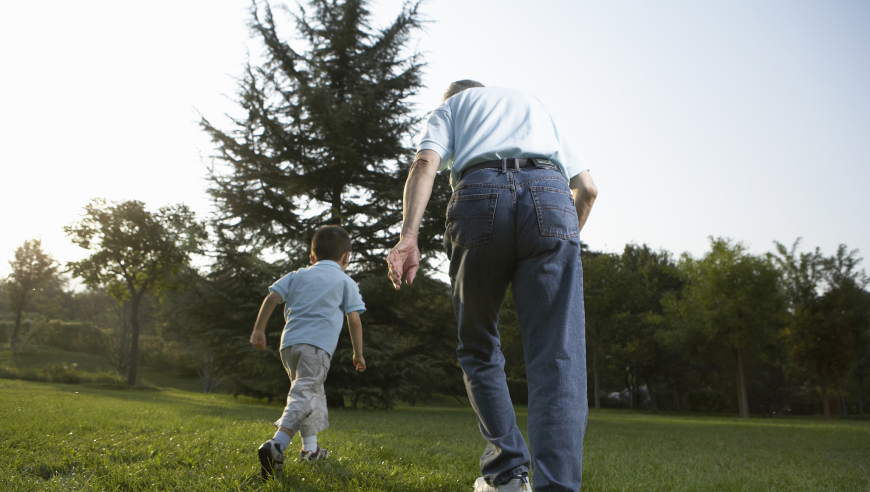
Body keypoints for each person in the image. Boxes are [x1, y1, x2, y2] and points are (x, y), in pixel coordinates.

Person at [387, 80, 598, 492]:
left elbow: (425, 164)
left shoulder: (452, 107)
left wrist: (408, 236)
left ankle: (506, 476)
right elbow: (588, 189)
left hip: (479, 199)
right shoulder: (533, 106)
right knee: (558, 356)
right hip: (552, 197)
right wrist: (561, 239)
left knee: (479, 345)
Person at [250, 225, 367, 480]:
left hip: (289, 346)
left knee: (309, 392)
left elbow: (271, 298)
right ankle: (276, 444)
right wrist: (358, 354)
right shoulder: (345, 281)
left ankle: (311, 449)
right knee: (306, 392)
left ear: (312, 257)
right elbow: (354, 320)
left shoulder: (296, 275)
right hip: (316, 348)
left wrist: (259, 330)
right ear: (346, 257)